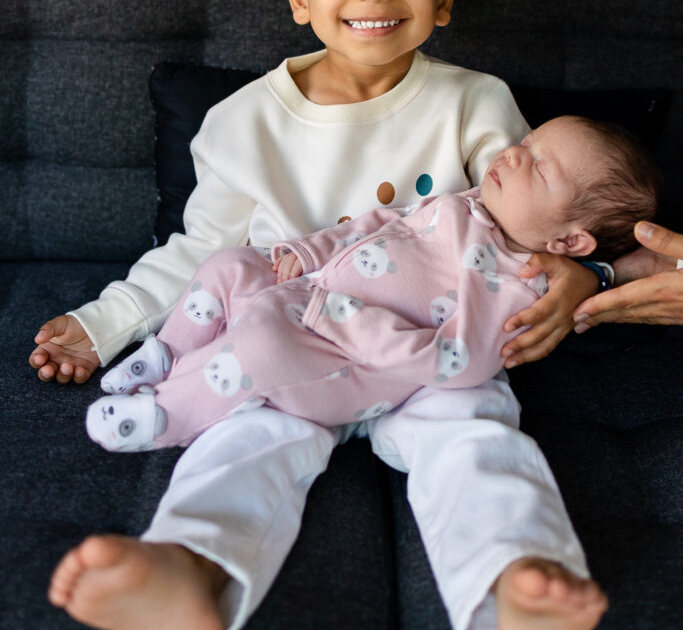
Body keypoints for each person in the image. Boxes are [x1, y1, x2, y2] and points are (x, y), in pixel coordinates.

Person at [37, 0, 607, 630]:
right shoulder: (241, 124)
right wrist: (104, 323)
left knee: (478, 438)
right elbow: (201, 251)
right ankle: (190, 573)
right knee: (239, 443)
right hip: (290, 345)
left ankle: (512, 582)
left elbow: (546, 219)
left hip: (429, 352)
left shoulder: (473, 102)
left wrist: (585, 276)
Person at [84, 115, 662, 454]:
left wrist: (340, 315)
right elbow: (378, 224)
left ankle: (163, 416)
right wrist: (305, 251)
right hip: (308, 290)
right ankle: (167, 353)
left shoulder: (516, 285)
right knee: (228, 268)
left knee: (257, 350)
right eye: (527, 142)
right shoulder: (469, 205)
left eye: (537, 166)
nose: (512, 154)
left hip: (338, 353)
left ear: (569, 242)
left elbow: (457, 361)